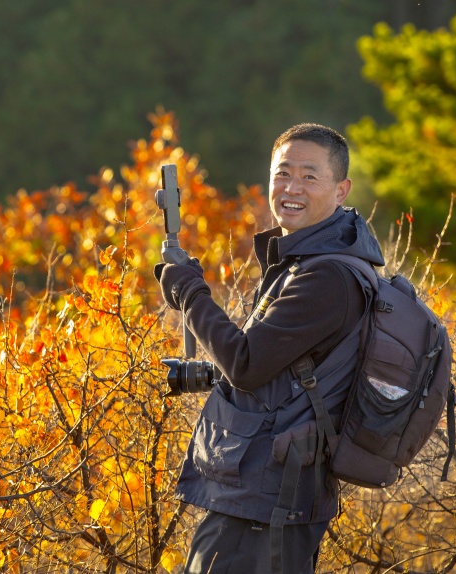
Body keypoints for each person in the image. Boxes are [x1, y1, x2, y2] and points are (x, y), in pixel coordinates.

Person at [154, 123, 385, 573]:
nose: (291, 188)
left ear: (342, 190)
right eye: (282, 174)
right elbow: (286, 371)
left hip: (267, 503)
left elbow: (246, 363)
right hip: (268, 494)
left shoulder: (326, 277)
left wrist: (191, 295)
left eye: (309, 176)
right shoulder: (309, 260)